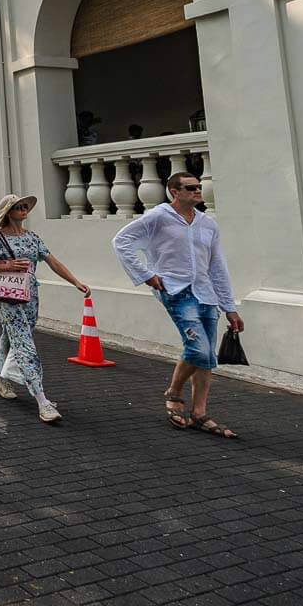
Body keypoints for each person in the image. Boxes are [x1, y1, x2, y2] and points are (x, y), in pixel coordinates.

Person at [113, 171, 242, 438]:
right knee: (199, 350)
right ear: (175, 191)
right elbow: (121, 242)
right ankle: (173, 392)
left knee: (206, 358)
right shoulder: (158, 217)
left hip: (206, 294)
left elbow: (217, 266)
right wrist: (146, 275)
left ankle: (199, 413)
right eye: (191, 188)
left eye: (199, 187)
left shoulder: (208, 224)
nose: (198, 191)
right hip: (176, 290)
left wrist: (230, 307)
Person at [0, 194, 92, 424]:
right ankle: (42, 400)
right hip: (8, 298)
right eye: (18, 207)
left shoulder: (32, 238)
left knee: (11, 338)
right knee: (25, 346)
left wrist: (75, 281)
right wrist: (8, 265)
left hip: (30, 297)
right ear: (8, 213)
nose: (23, 209)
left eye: (25, 206)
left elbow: (53, 261)